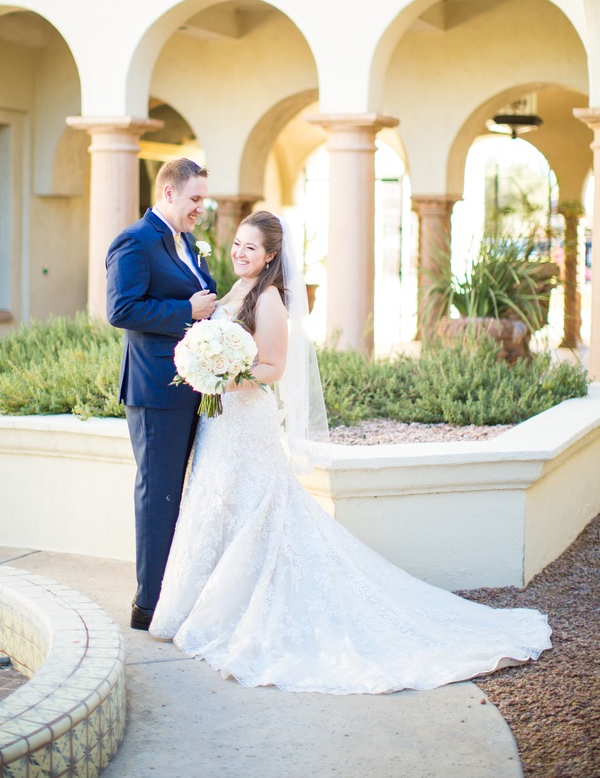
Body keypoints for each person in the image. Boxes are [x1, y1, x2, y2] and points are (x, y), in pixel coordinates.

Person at [149, 211, 552, 694]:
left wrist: (222, 378)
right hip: (222, 422)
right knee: (218, 502)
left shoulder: (271, 299)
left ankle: (246, 607)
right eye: (237, 243)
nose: (240, 253)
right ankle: (203, 603)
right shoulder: (233, 292)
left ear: (272, 256)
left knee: (255, 506)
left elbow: (273, 367)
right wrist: (204, 365)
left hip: (245, 418)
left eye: (251, 249)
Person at [106, 158, 217, 631]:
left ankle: (175, 593)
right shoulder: (134, 241)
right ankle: (148, 605)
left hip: (193, 385)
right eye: (194, 199)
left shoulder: (188, 243)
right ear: (169, 193)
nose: (200, 208)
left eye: (203, 200)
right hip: (155, 390)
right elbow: (121, 308)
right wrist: (186, 311)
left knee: (182, 493)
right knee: (159, 495)